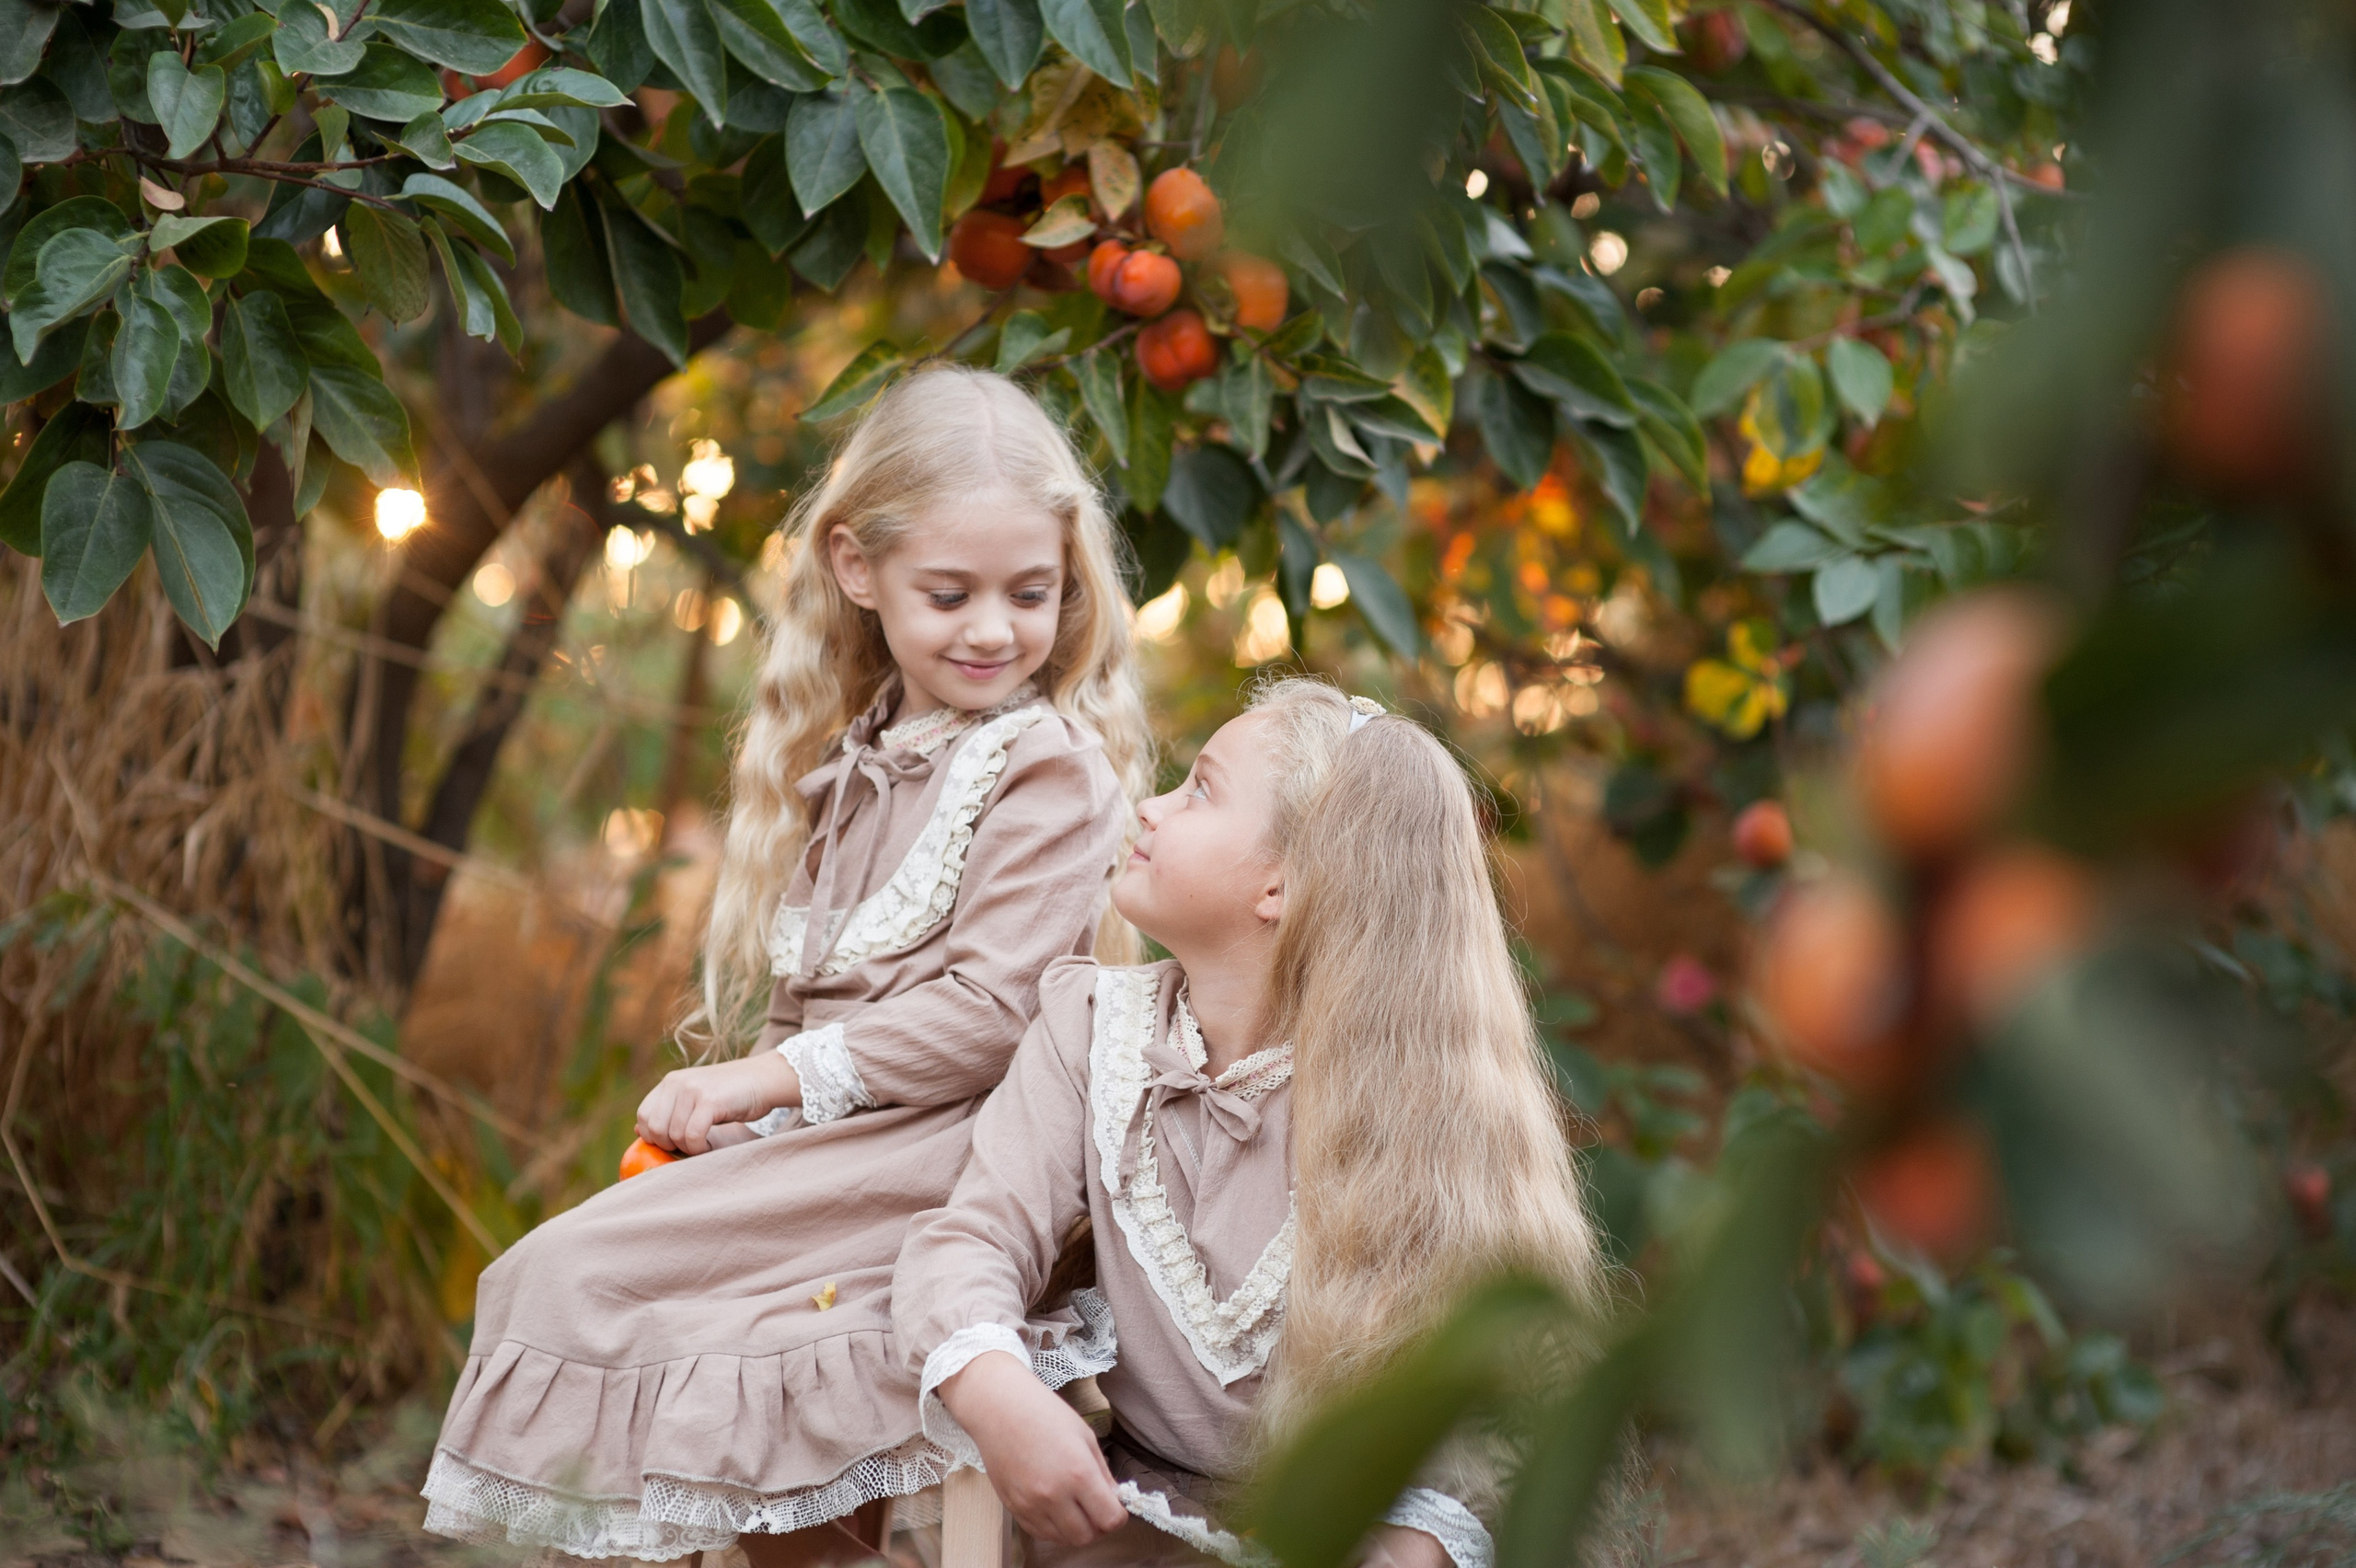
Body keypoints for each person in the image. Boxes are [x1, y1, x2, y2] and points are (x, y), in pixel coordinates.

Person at [421, 366, 1150, 1565]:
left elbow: (989, 1018)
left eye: (1030, 593)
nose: (992, 629)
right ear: (857, 569)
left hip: (949, 1162)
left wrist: (759, 1087)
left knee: (571, 1274)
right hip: (833, 1159)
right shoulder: (856, 765)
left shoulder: (1047, 768)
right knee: (569, 1276)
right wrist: (740, 1119)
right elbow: (813, 1009)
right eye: (949, 592)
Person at [895, 678, 1604, 1566]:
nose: (1149, 808)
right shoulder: (1090, 1028)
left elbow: (1487, 1391)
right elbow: (973, 1236)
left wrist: (1415, 1541)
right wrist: (996, 1392)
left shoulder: (1410, 1095)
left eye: (1199, 789)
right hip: (1130, 1520)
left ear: (1283, 886)